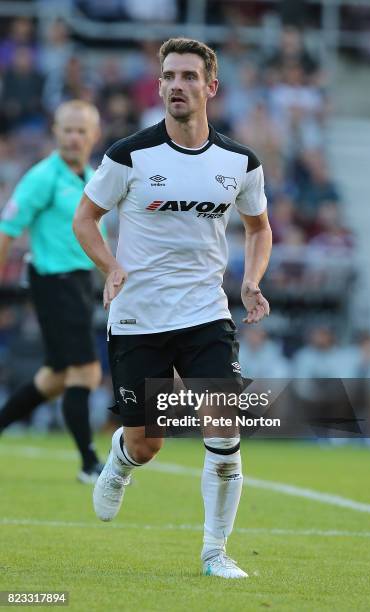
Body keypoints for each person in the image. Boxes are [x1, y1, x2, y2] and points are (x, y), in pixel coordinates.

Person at [73, 38, 272, 578]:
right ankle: (120, 457)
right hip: (138, 317)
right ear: (159, 86)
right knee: (148, 443)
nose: (175, 85)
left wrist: (251, 280)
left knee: (225, 427)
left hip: (206, 314)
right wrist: (110, 265)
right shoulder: (129, 155)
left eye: (187, 76)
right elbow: (85, 219)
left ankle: (215, 552)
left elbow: (259, 228)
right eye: (167, 76)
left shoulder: (239, 162)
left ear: (211, 87)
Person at [0, 100, 104, 483]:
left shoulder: (91, 176)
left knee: (55, 378)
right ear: (55, 132)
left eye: (82, 131)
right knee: (87, 371)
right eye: (67, 129)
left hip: (79, 284)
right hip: (54, 282)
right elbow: (7, 229)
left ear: (94, 136)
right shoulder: (42, 177)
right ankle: (89, 462)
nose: (74, 137)